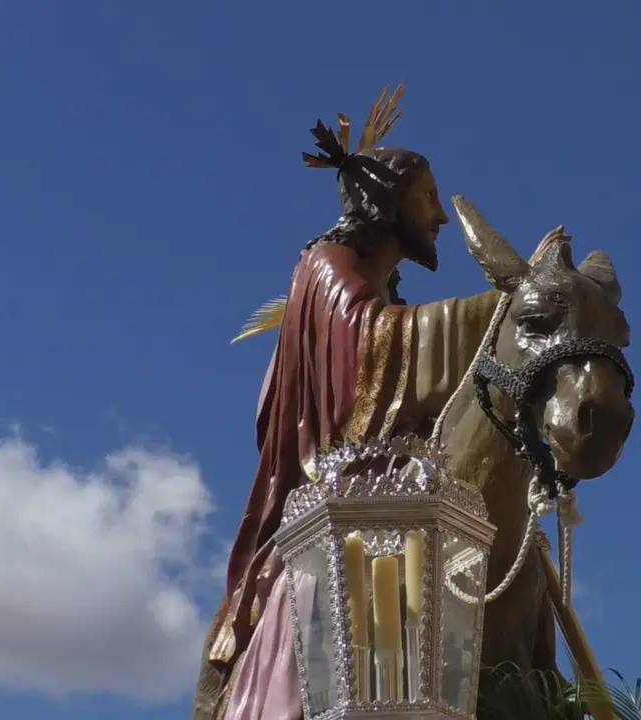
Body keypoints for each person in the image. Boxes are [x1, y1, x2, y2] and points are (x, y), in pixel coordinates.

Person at [192, 86, 499, 720]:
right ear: (388, 203)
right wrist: (497, 315)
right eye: (429, 199)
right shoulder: (326, 266)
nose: (440, 217)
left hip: (397, 507)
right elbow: (365, 346)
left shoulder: (377, 286)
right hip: (343, 509)